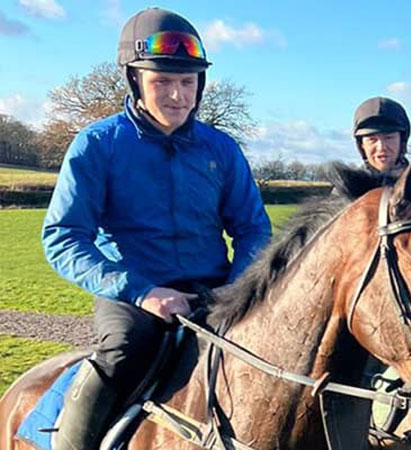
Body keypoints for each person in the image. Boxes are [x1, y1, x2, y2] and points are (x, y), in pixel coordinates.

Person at [40, 7, 271, 449]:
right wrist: (142, 292)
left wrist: (236, 289)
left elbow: (253, 229)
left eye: (188, 82)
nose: (178, 95)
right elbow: (63, 236)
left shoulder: (221, 149)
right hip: (134, 297)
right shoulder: (97, 144)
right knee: (121, 350)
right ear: (134, 80)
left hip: (214, 291)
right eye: (162, 82)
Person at [353, 96, 411, 178]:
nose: (381, 147)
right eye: (372, 139)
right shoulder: (347, 185)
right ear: (362, 145)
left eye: (389, 138)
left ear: (401, 141)